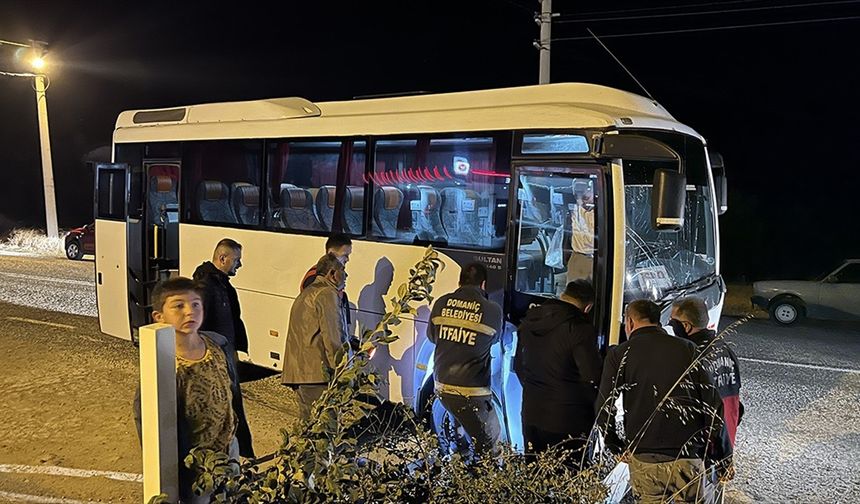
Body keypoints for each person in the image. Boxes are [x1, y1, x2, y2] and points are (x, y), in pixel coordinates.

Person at [595, 299, 732, 504]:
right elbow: (713, 405)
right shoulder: (687, 348)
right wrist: (724, 456)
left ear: (629, 322)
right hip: (687, 455)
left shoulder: (620, 353)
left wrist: (615, 445)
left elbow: (604, 406)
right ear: (658, 321)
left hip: (645, 457)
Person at [133, 277, 254, 503]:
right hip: (196, 464)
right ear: (159, 317)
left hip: (229, 450)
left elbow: (232, 395)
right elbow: (149, 424)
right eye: (178, 305)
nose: (190, 312)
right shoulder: (164, 367)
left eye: (196, 304)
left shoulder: (218, 345)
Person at [514, 279, 602, 460]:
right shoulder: (580, 329)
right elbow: (592, 375)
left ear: (563, 295)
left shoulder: (531, 320)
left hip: (531, 413)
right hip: (568, 421)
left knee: (534, 477)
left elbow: (519, 366)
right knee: (569, 478)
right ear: (587, 308)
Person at [427, 262, 504, 457]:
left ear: (459, 281)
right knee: (490, 444)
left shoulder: (441, 302)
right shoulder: (492, 309)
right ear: (483, 284)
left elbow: (432, 337)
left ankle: (457, 467)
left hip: (443, 386)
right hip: (473, 391)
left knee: (458, 431)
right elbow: (494, 339)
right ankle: (483, 481)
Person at [671, 297, 743, 501]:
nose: (671, 326)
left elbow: (710, 412)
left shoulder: (691, 355)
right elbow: (736, 405)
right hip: (724, 443)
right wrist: (726, 455)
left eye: (672, 322)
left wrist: (721, 455)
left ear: (686, 326)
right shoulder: (725, 350)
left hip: (703, 452)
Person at [282, 253, 349, 421]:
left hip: (302, 373)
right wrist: (343, 371)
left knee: (309, 427)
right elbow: (332, 337)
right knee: (325, 429)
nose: (346, 275)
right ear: (332, 274)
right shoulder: (326, 294)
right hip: (317, 374)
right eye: (344, 270)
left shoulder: (309, 292)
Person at [192, 238, 248, 355]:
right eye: (236, 260)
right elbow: (201, 325)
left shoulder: (221, 284)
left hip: (224, 349)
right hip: (217, 352)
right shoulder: (206, 287)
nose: (239, 265)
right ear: (222, 259)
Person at [301, 234, 354, 337]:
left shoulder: (334, 278)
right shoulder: (314, 278)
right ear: (331, 254)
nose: (347, 259)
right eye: (344, 255)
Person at [567, 181, 595, 283]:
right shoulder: (575, 207)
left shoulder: (607, 210)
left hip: (596, 260)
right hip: (576, 258)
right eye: (576, 198)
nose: (580, 202)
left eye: (585, 198)